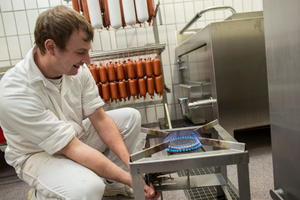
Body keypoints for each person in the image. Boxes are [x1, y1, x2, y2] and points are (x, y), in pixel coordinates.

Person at [0, 5, 160, 200]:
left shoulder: (76, 70)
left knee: (130, 117)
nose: (88, 60)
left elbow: (99, 119)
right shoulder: (14, 92)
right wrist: (130, 180)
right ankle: (43, 194)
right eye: (80, 52)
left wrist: (131, 167)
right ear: (51, 47)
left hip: (73, 137)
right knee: (88, 188)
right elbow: (71, 148)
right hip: (37, 154)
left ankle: (112, 183)